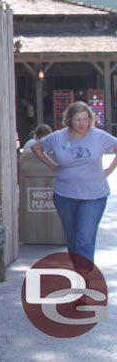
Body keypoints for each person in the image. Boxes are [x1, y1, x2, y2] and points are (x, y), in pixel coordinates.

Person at [31, 101, 117, 263]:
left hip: (94, 195)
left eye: (85, 119)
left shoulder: (98, 136)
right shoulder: (58, 137)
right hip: (65, 195)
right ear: (69, 119)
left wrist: (109, 170)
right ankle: (79, 271)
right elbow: (37, 148)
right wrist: (52, 165)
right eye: (78, 120)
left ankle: (85, 277)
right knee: (72, 239)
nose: (82, 124)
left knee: (84, 238)